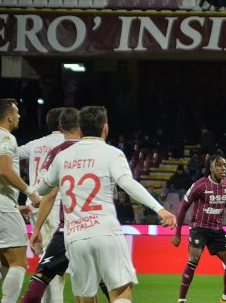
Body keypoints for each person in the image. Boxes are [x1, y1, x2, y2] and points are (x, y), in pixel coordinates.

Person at [35, 105, 176, 303]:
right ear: (105, 128)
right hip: (105, 231)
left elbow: (40, 189)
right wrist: (159, 209)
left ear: (81, 129)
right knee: (121, 293)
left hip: (74, 237)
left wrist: (28, 194)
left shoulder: (61, 157)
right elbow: (127, 183)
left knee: (85, 298)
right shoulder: (111, 153)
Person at [21, 107, 92, 303]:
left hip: (35, 202)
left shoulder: (36, 144)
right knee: (56, 262)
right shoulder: (70, 143)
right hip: (57, 203)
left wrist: (27, 191)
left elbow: (11, 155)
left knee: (45, 260)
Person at [171, 155, 226, 303]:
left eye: (225, 165)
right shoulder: (200, 185)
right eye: (219, 165)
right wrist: (178, 234)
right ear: (211, 168)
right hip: (198, 227)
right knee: (194, 259)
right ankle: (181, 300)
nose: (223, 168)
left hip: (217, 229)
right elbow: (183, 207)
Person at [0, 98, 41, 303]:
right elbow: (4, 170)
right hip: (0, 204)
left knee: (5, 262)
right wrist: (30, 192)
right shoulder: (6, 138)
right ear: (9, 117)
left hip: (0, 205)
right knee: (19, 262)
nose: (19, 115)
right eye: (17, 112)